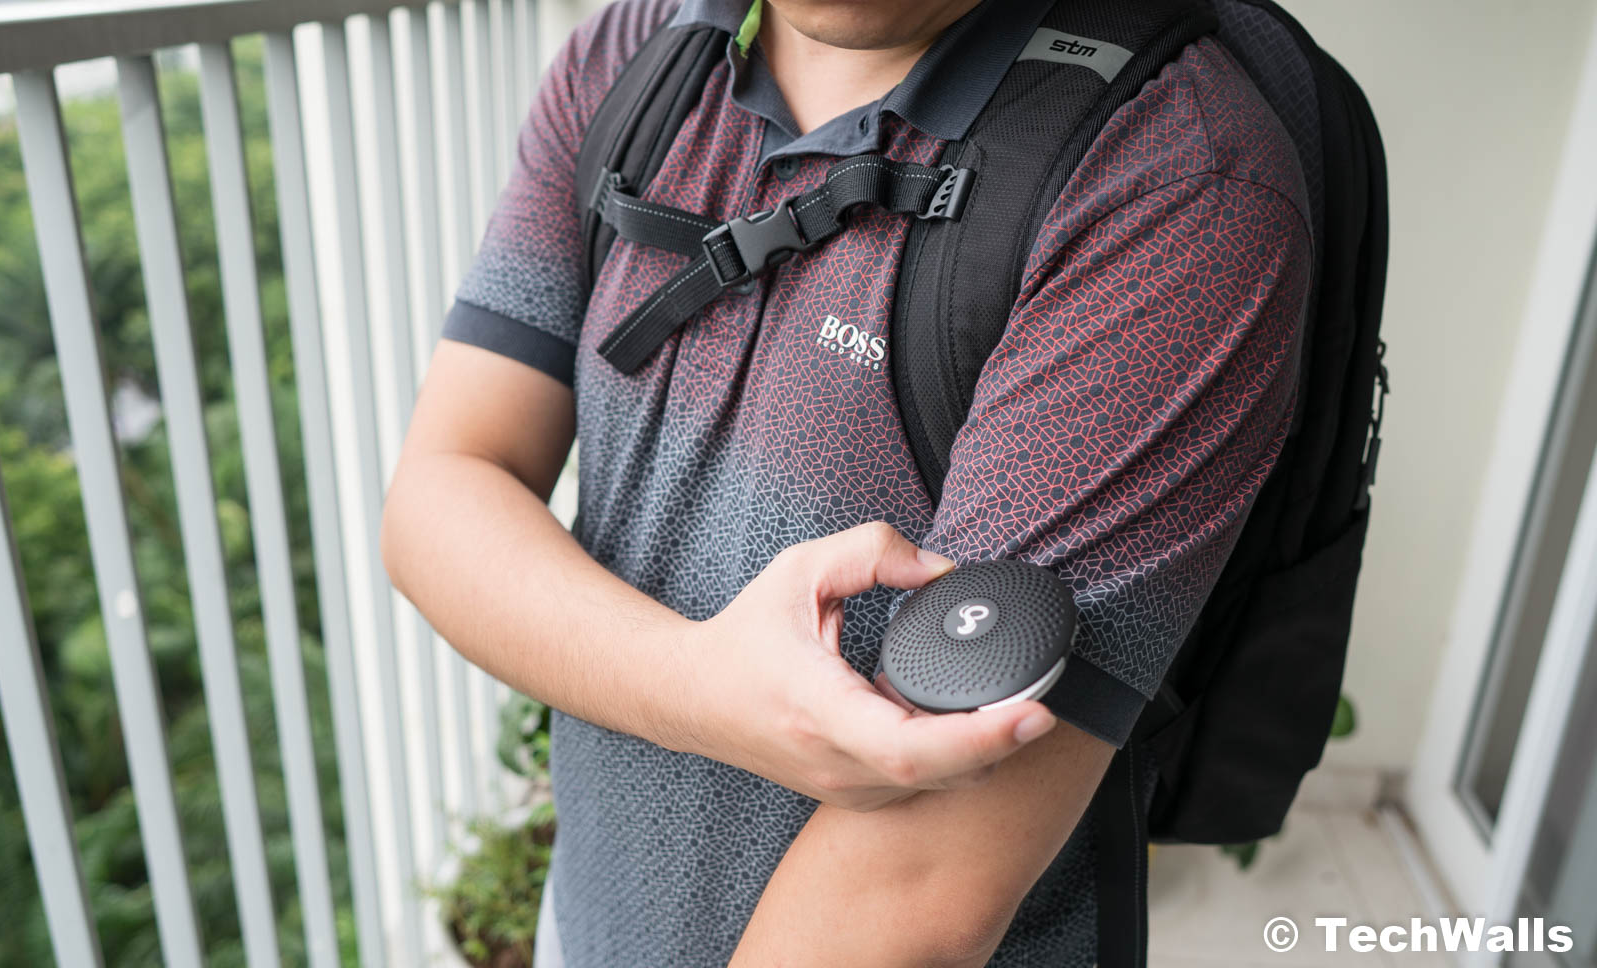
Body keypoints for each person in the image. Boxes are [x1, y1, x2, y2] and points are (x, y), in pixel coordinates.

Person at [381, 0, 1310, 963]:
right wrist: (695, 683)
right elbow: (443, 488)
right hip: (584, 924)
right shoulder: (637, 56)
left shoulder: (1174, 179)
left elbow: (914, 891)